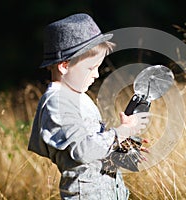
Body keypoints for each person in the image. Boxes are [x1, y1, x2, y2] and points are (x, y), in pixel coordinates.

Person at [28, 13, 150, 199]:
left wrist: (121, 145)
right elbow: (83, 150)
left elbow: (94, 147)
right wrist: (120, 132)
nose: (97, 75)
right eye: (91, 68)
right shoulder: (57, 102)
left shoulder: (78, 97)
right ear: (64, 66)